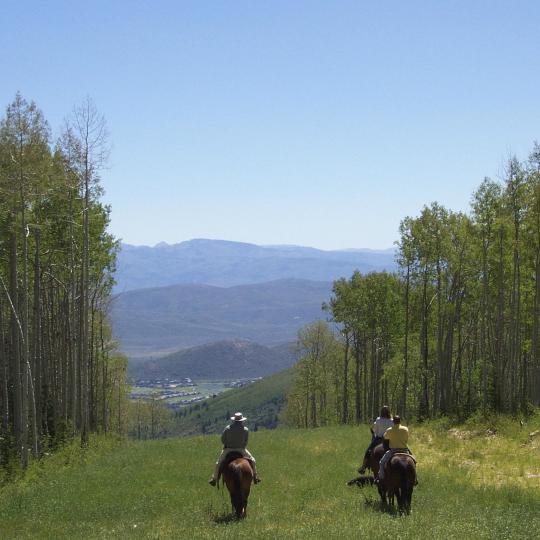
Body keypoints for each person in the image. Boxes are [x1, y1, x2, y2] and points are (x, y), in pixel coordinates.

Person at [208, 412, 261, 486]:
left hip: (228, 449)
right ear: (242, 420)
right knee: (253, 460)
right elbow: (246, 441)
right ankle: (255, 477)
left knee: (218, 463)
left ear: (234, 420)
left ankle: (214, 479)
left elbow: (223, 439)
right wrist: (242, 446)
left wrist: (227, 444)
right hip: (241, 449)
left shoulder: (228, 428)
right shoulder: (245, 429)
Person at [377, 415, 413, 483]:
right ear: (400, 421)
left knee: (381, 462)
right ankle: (414, 479)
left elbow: (385, 437)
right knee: (414, 461)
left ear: (393, 421)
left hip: (393, 450)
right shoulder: (405, 429)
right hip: (405, 450)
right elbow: (406, 438)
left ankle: (380, 478)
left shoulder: (389, 430)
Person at [358, 405, 393, 474]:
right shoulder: (392, 421)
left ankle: (363, 467)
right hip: (389, 440)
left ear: (381, 412)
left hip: (379, 439)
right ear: (389, 412)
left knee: (368, 451)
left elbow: (376, 431)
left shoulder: (378, 419)